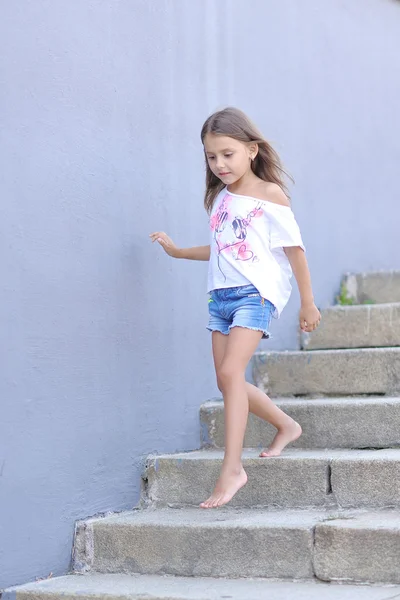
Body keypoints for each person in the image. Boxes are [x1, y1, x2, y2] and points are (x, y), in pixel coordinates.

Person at [149, 107, 321, 509]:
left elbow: (295, 251)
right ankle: (286, 424)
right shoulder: (221, 199)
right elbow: (224, 250)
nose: (220, 164)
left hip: (255, 294)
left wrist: (307, 303)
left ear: (252, 150)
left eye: (228, 154)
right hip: (221, 297)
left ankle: (232, 468)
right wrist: (177, 252)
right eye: (211, 157)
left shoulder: (269, 194)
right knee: (226, 382)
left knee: (231, 373)